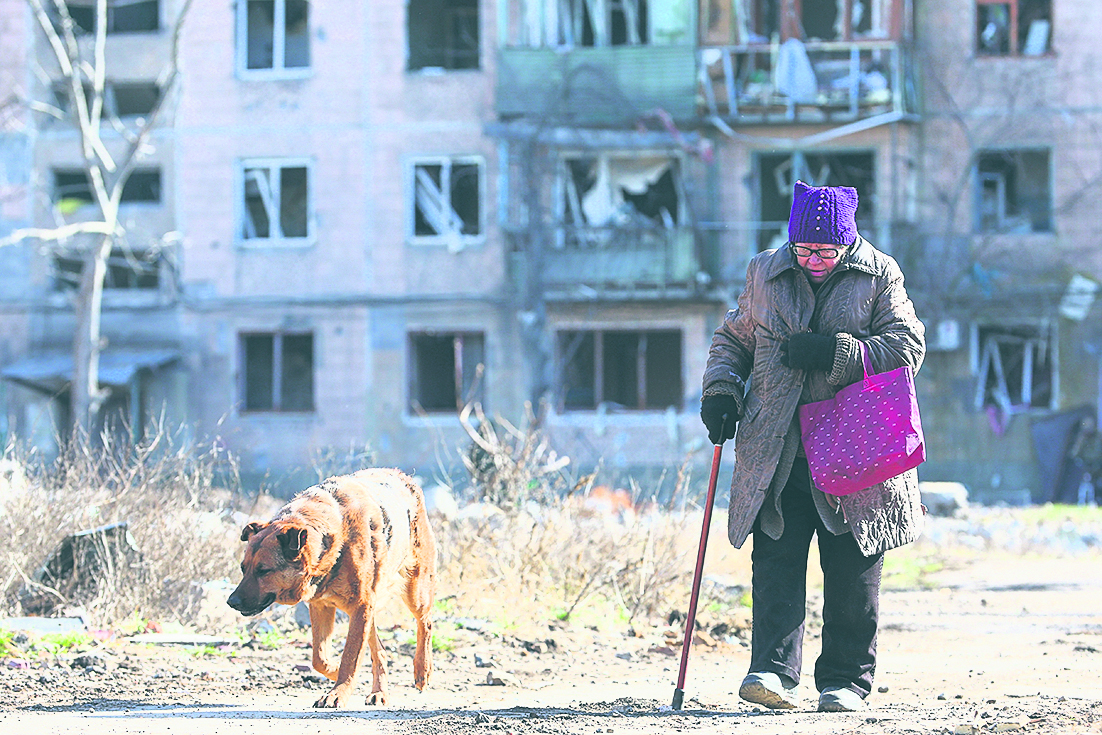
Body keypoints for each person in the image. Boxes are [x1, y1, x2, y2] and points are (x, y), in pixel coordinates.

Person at [699, 181, 926, 713]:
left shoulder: (879, 275)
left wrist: (835, 352)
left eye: (825, 252)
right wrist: (721, 390)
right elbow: (734, 339)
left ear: (847, 243)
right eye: (804, 250)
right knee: (776, 558)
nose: (813, 261)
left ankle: (846, 680)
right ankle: (772, 673)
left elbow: (908, 346)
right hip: (777, 447)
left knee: (851, 564)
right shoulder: (765, 272)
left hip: (855, 447)